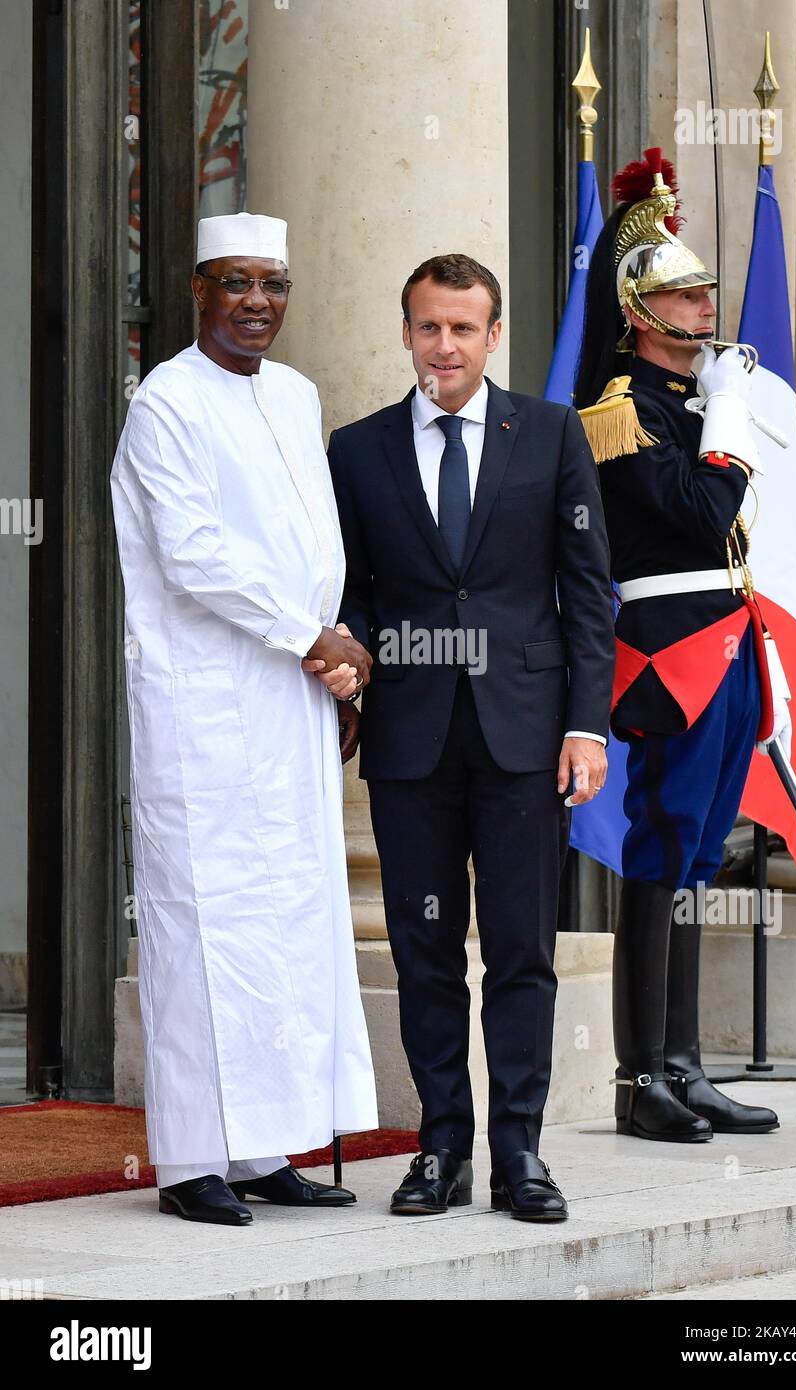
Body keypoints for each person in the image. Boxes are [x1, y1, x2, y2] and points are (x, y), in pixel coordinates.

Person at [309, 253, 615, 1221]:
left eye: (462, 329)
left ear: (492, 336)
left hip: (526, 738)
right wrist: (349, 650)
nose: (444, 346)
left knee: (521, 949)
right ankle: (439, 1144)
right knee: (423, 949)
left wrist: (585, 724)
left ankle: (517, 1149)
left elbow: (585, 593)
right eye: (428, 327)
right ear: (405, 334)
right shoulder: (355, 453)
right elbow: (348, 587)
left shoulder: (553, 436)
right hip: (411, 741)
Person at [110, 211, 378, 1225]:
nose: (256, 301)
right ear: (198, 291)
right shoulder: (165, 403)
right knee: (202, 924)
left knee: (289, 921)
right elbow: (193, 555)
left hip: (292, 699)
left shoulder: (297, 394)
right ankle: (187, 1161)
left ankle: (264, 1146)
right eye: (236, 282)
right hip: (205, 707)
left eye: (272, 283)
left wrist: (333, 649)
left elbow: (312, 543)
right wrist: (308, 634)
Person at [574, 149, 783, 1142]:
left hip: (723, 638)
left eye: (704, 296)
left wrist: (715, 411)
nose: (704, 313)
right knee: (658, 848)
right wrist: (730, 420)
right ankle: (636, 1078)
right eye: (685, 299)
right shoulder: (619, 411)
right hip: (667, 645)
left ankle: (684, 1062)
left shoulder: (684, 404)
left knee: (702, 850)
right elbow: (703, 514)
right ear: (639, 310)